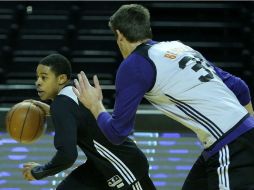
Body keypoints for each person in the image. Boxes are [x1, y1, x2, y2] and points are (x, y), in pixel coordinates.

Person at [72, 4, 254, 190]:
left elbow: (117, 133)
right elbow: (239, 87)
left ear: (119, 35)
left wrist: (95, 105)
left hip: (230, 144)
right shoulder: (178, 47)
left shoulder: (133, 65)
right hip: (236, 137)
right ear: (147, 28)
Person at [22, 53, 156, 190]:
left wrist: (39, 171)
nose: (38, 82)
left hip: (122, 164)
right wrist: (53, 111)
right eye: (37, 77)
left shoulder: (61, 105)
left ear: (61, 78)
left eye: (44, 77)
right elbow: (81, 117)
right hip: (101, 164)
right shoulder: (74, 93)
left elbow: (67, 156)